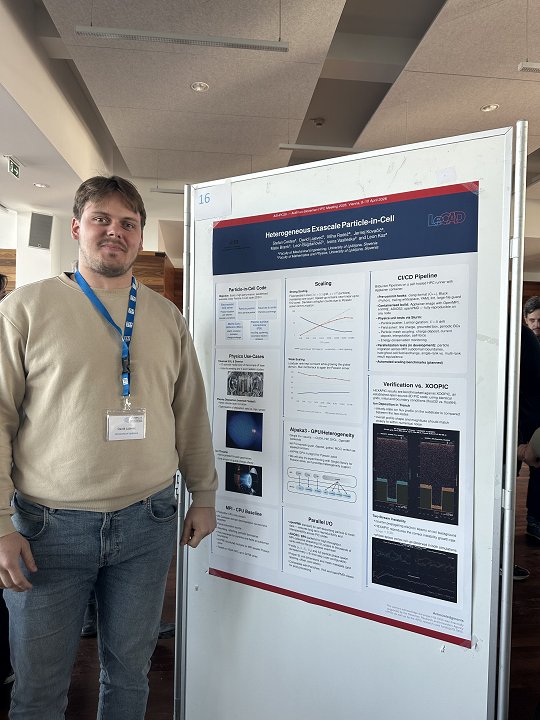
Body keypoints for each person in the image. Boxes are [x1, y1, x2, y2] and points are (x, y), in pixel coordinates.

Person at [0, 175, 217, 719]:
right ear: (77, 227)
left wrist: (204, 494)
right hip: (47, 530)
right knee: (38, 691)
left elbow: (190, 413)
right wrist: (0, 523)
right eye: (101, 219)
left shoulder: (167, 318)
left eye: (128, 223)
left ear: (140, 237)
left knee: (129, 678)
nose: (114, 231)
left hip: (148, 522)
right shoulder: (26, 309)